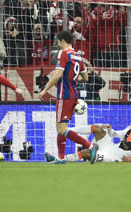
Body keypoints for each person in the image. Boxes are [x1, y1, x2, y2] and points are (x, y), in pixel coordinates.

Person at [38, 30, 98, 162]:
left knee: (62, 128)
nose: (58, 44)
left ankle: (90, 146)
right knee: (61, 128)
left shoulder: (64, 54)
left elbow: (58, 74)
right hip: (73, 95)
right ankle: (60, 158)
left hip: (64, 95)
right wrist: (71, 79)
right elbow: (85, 77)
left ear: (62, 41)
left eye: (58, 41)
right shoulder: (77, 56)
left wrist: (44, 90)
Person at [45, 115, 131, 164]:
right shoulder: (129, 130)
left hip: (111, 157)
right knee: (98, 129)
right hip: (109, 146)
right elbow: (115, 134)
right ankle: (69, 130)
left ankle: (59, 160)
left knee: (85, 153)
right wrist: (109, 129)